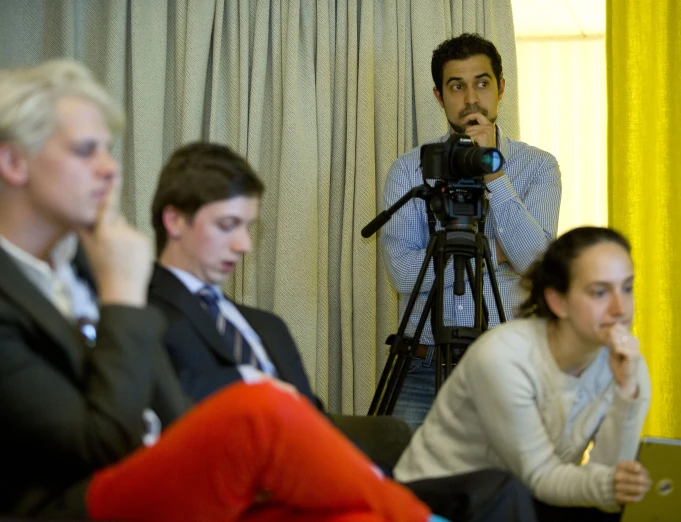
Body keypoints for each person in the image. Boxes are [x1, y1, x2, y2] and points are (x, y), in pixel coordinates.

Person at [0, 59, 442, 522]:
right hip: (73, 503)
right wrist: (122, 299)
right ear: (14, 162)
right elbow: (99, 445)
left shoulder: (86, 267)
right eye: (86, 151)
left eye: (109, 150)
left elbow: (170, 414)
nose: (110, 169)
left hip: (167, 477)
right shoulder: (51, 289)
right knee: (258, 410)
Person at [394, 227, 653, 521]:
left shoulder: (627, 365)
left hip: (526, 497)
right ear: (558, 301)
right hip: (436, 503)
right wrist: (607, 486)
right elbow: (540, 477)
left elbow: (607, 489)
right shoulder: (504, 355)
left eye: (627, 288)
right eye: (600, 292)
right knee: (511, 490)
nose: (620, 308)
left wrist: (627, 395)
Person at [380, 33, 562, 429]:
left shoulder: (538, 167)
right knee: (405, 486)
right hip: (422, 365)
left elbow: (535, 262)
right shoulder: (410, 169)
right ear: (438, 96)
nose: (471, 98)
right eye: (456, 86)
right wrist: (493, 251)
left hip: (508, 366)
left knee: (502, 488)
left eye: (481, 83)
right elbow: (403, 273)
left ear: (501, 88)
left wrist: (494, 173)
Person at [148, 141, 316, 405]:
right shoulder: (139, 313)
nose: (245, 246)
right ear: (175, 221)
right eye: (227, 225)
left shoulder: (271, 328)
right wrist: (253, 385)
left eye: (248, 228)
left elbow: (318, 421)